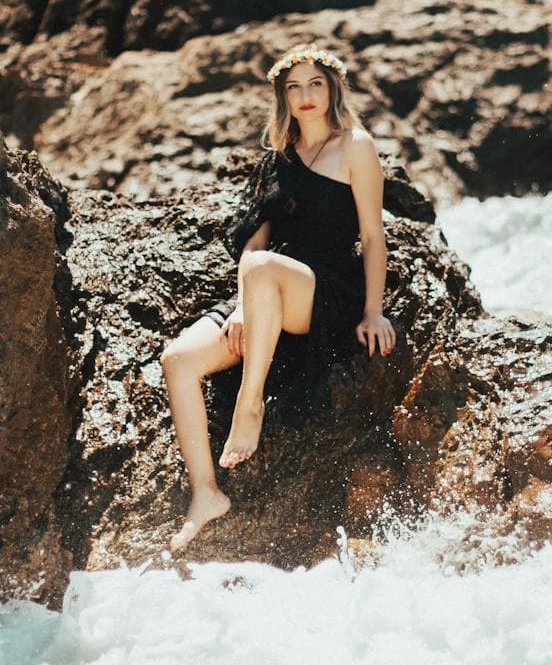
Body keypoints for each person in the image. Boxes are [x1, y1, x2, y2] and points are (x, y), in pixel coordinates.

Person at [158, 44, 398, 553]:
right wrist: (245, 306)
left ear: (333, 87)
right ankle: (206, 495)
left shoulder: (355, 144)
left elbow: (374, 235)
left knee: (264, 270)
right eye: (294, 87)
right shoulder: (279, 158)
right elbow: (254, 243)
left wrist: (374, 310)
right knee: (178, 359)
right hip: (265, 290)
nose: (306, 96)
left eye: (315, 83)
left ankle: (251, 405)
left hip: (327, 288)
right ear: (281, 96)